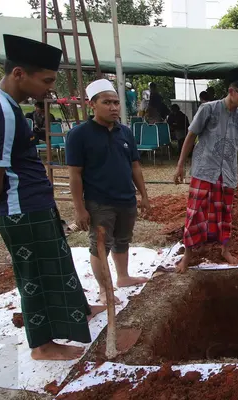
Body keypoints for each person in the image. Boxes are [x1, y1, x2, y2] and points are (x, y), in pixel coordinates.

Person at [0, 34, 105, 361]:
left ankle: (78, 310)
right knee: (34, 276)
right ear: (19, 74)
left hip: (32, 203)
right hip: (20, 208)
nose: (49, 88)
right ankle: (42, 345)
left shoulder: (0, 103)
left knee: (56, 262)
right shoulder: (0, 110)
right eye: (46, 80)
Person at [66, 79, 151, 305]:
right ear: (92, 104)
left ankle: (123, 277)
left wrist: (143, 195)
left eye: (116, 102)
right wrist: (79, 208)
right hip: (99, 202)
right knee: (101, 245)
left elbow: (135, 166)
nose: (114, 107)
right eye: (107, 102)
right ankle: (105, 289)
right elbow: (75, 174)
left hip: (126, 198)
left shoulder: (125, 133)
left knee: (123, 239)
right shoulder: (79, 135)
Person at [172, 68, 238, 273]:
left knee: (225, 213)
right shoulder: (208, 109)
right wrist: (180, 164)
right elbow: (191, 136)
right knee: (194, 213)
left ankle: (224, 250)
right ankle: (188, 255)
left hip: (226, 174)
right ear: (231, 91)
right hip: (204, 170)